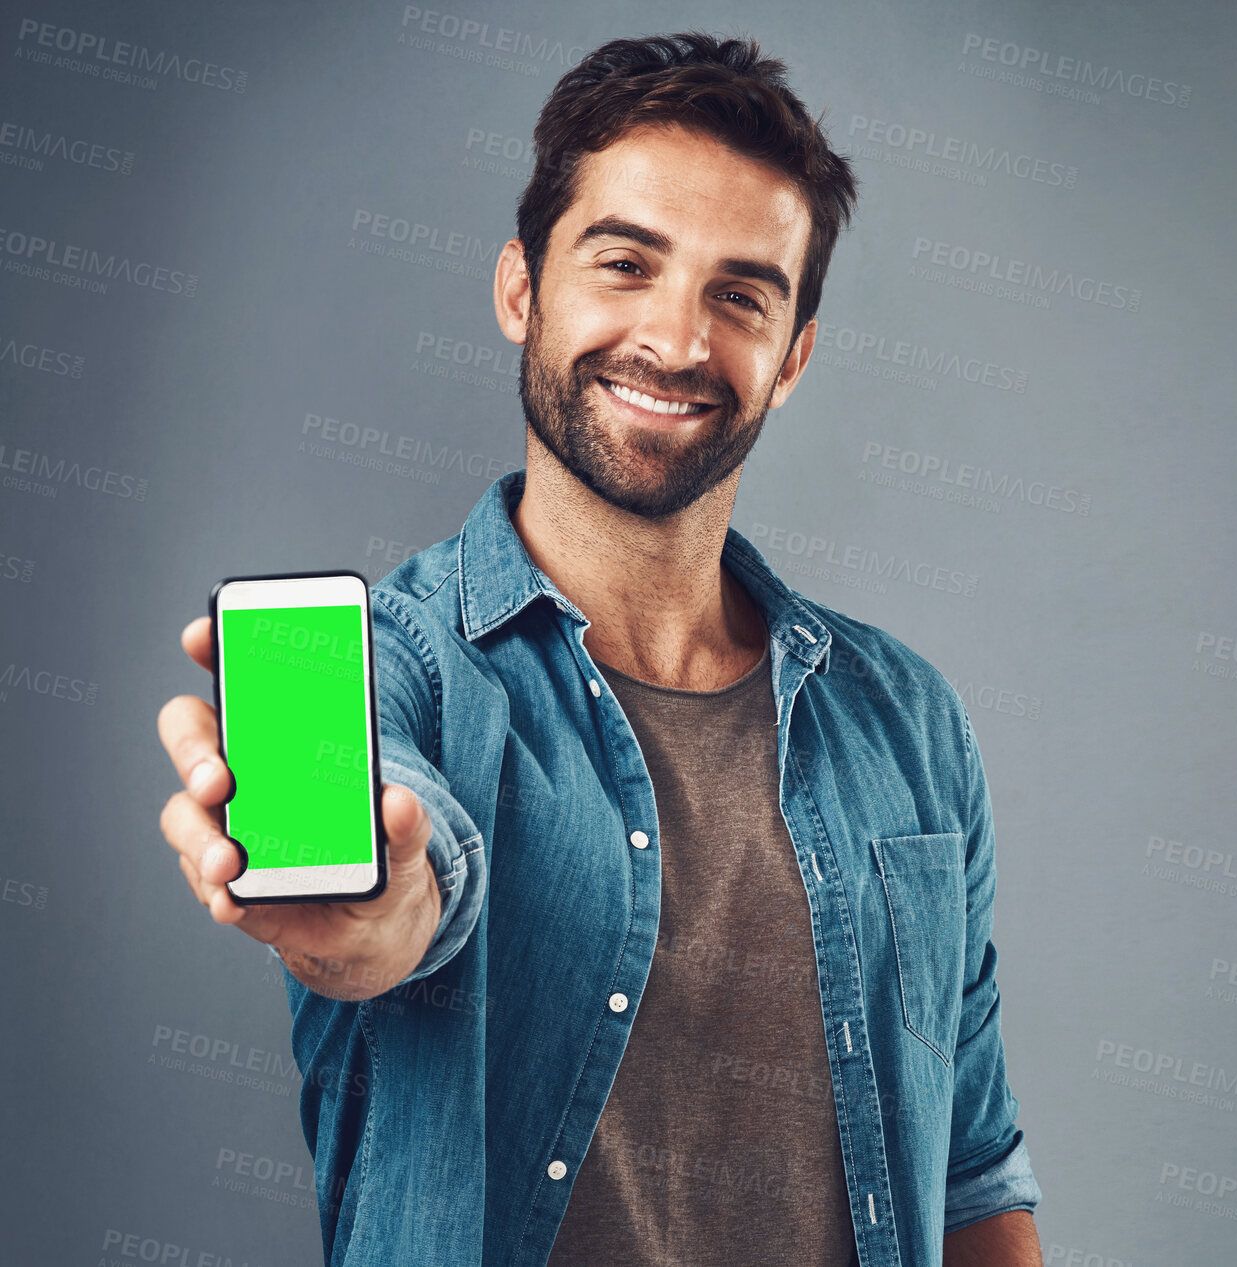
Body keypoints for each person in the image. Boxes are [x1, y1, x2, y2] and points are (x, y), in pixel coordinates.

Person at [157, 31, 1043, 1267]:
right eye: (625, 263)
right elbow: (397, 886)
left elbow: (972, 1172)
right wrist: (359, 914)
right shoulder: (388, 673)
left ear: (790, 357)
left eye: (739, 295)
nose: (675, 342)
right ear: (521, 288)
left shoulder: (907, 720)